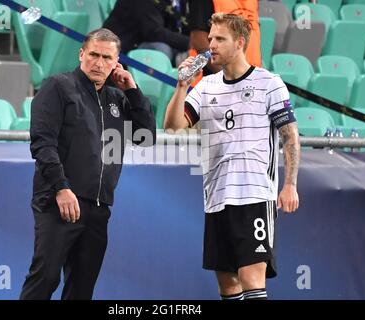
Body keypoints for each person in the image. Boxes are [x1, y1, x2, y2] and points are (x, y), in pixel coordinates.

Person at [164, 13, 300, 300]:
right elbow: (174, 127)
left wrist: (290, 184)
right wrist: (181, 87)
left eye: (220, 39)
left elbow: (290, 135)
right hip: (216, 197)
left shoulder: (269, 83)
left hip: (253, 195)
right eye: (211, 38)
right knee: (227, 284)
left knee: (252, 277)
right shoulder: (206, 86)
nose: (211, 44)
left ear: (239, 43)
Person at [20, 28, 156, 300]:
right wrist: (61, 187)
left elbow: (146, 137)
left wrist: (133, 89)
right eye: (93, 54)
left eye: (107, 58)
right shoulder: (57, 86)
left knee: (81, 290)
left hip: (98, 207)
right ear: (81, 54)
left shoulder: (118, 98)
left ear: (116, 63)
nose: (99, 62)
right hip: (60, 201)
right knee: (44, 280)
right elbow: (42, 142)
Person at [187, 0, 261, 78]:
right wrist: (229, 77)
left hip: (250, 77)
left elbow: (254, 38)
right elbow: (199, 41)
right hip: (215, 81)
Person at [103, 0, 189, 62]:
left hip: (142, 42)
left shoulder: (180, 2)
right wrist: (191, 43)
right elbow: (154, 32)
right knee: (160, 49)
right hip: (120, 52)